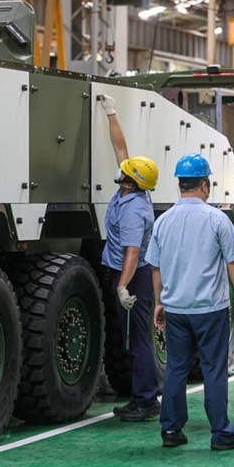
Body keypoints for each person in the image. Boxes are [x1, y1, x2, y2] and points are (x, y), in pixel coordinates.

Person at [146, 153, 234, 450]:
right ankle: (221, 434)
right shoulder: (216, 218)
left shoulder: (163, 221)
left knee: (176, 368)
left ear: (180, 184)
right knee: (213, 369)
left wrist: (159, 302)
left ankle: (171, 430)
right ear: (205, 184)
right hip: (210, 309)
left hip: (176, 309)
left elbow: (156, 268)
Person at [99, 95, 160, 422]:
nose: (120, 170)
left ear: (130, 181)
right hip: (128, 273)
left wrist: (123, 287)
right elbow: (121, 149)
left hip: (133, 277)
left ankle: (146, 401)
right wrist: (111, 113)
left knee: (138, 340)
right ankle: (143, 397)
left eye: (125, 172)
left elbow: (132, 253)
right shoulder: (131, 190)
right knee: (133, 338)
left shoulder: (135, 209)